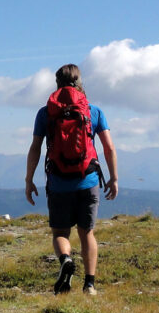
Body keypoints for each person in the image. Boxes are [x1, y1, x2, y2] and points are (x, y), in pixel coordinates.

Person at [24, 64, 118, 295]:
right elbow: (108, 148)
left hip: (58, 182)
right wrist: (113, 177)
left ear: (57, 84)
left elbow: (35, 148)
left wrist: (29, 179)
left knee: (60, 234)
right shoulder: (93, 111)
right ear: (80, 82)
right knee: (87, 233)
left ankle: (66, 259)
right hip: (88, 181)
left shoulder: (45, 113)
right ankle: (90, 284)